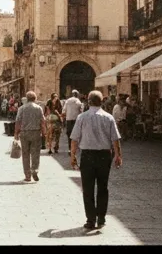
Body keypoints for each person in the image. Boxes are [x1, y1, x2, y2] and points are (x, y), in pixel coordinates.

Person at [69, 90, 122, 231]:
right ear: (102, 102)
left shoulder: (82, 117)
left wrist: (73, 156)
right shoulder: (108, 117)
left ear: (89, 102)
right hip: (105, 156)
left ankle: (91, 219)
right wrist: (118, 155)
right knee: (103, 187)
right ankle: (101, 217)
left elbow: (74, 139)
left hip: (87, 156)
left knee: (88, 188)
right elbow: (115, 139)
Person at [13, 91, 46, 182]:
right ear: (35, 99)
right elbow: (42, 122)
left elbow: (18, 122)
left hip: (24, 133)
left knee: (25, 154)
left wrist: (16, 133)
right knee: (35, 153)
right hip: (36, 133)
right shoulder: (39, 108)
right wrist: (44, 133)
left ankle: (27, 175)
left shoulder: (21, 108)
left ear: (27, 99)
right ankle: (34, 170)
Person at [63, 90, 83, 154]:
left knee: (69, 134)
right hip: (76, 120)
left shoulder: (68, 101)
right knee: (77, 134)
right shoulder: (78, 101)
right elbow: (81, 111)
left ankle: (70, 148)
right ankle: (76, 148)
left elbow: (64, 111)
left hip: (68, 120)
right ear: (77, 94)